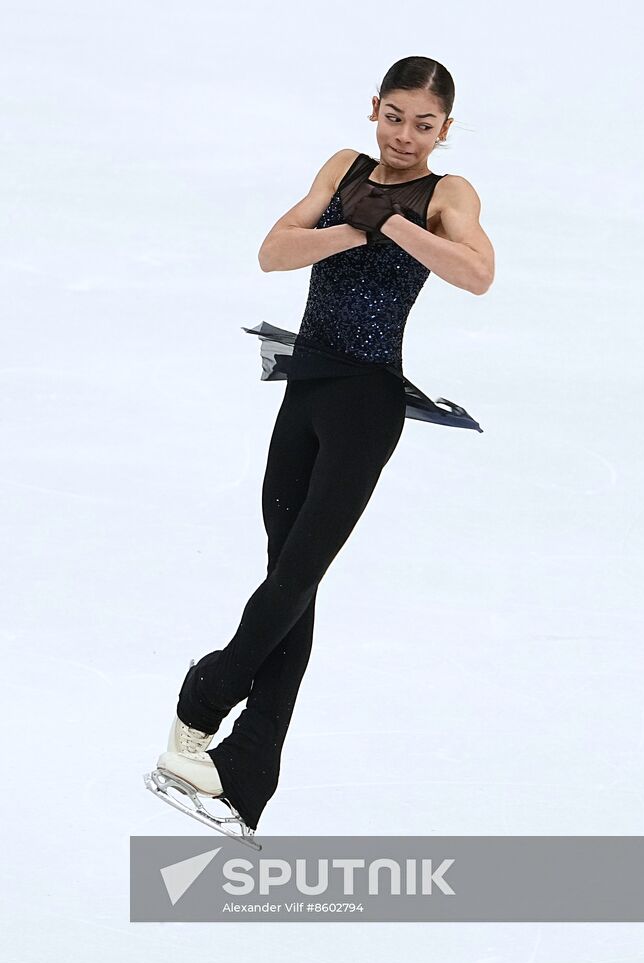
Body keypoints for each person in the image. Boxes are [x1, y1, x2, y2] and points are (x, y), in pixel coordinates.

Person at [153, 55, 495, 835]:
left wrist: (399, 223)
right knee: (288, 577)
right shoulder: (343, 169)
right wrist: (350, 224)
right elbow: (274, 252)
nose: (405, 135)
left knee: (302, 566)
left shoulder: (448, 194)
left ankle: (206, 694)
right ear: (373, 108)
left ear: (445, 127)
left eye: (424, 123)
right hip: (305, 384)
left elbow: (477, 275)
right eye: (394, 116)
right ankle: (243, 778)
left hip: (366, 403)